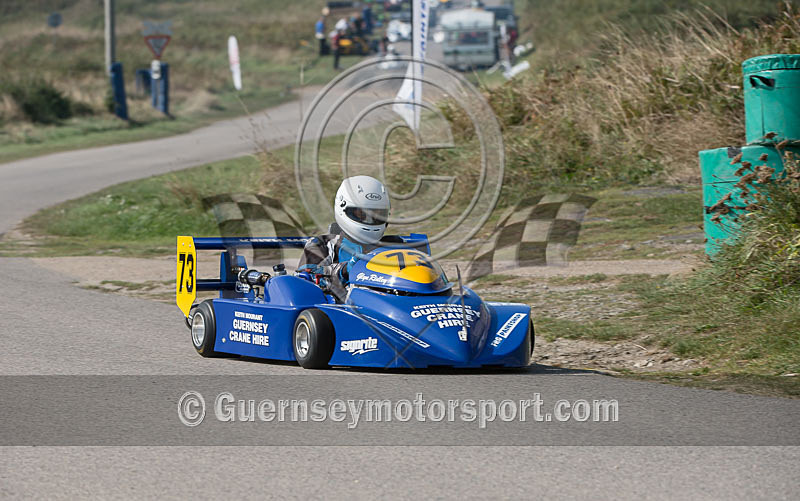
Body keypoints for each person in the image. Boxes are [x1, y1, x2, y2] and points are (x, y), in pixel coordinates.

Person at [297, 176, 400, 302]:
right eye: (362, 214)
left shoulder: (396, 247)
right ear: (343, 208)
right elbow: (304, 282)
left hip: (392, 310)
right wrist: (344, 270)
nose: (370, 220)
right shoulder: (322, 245)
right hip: (342, 312)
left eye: (377, 214)